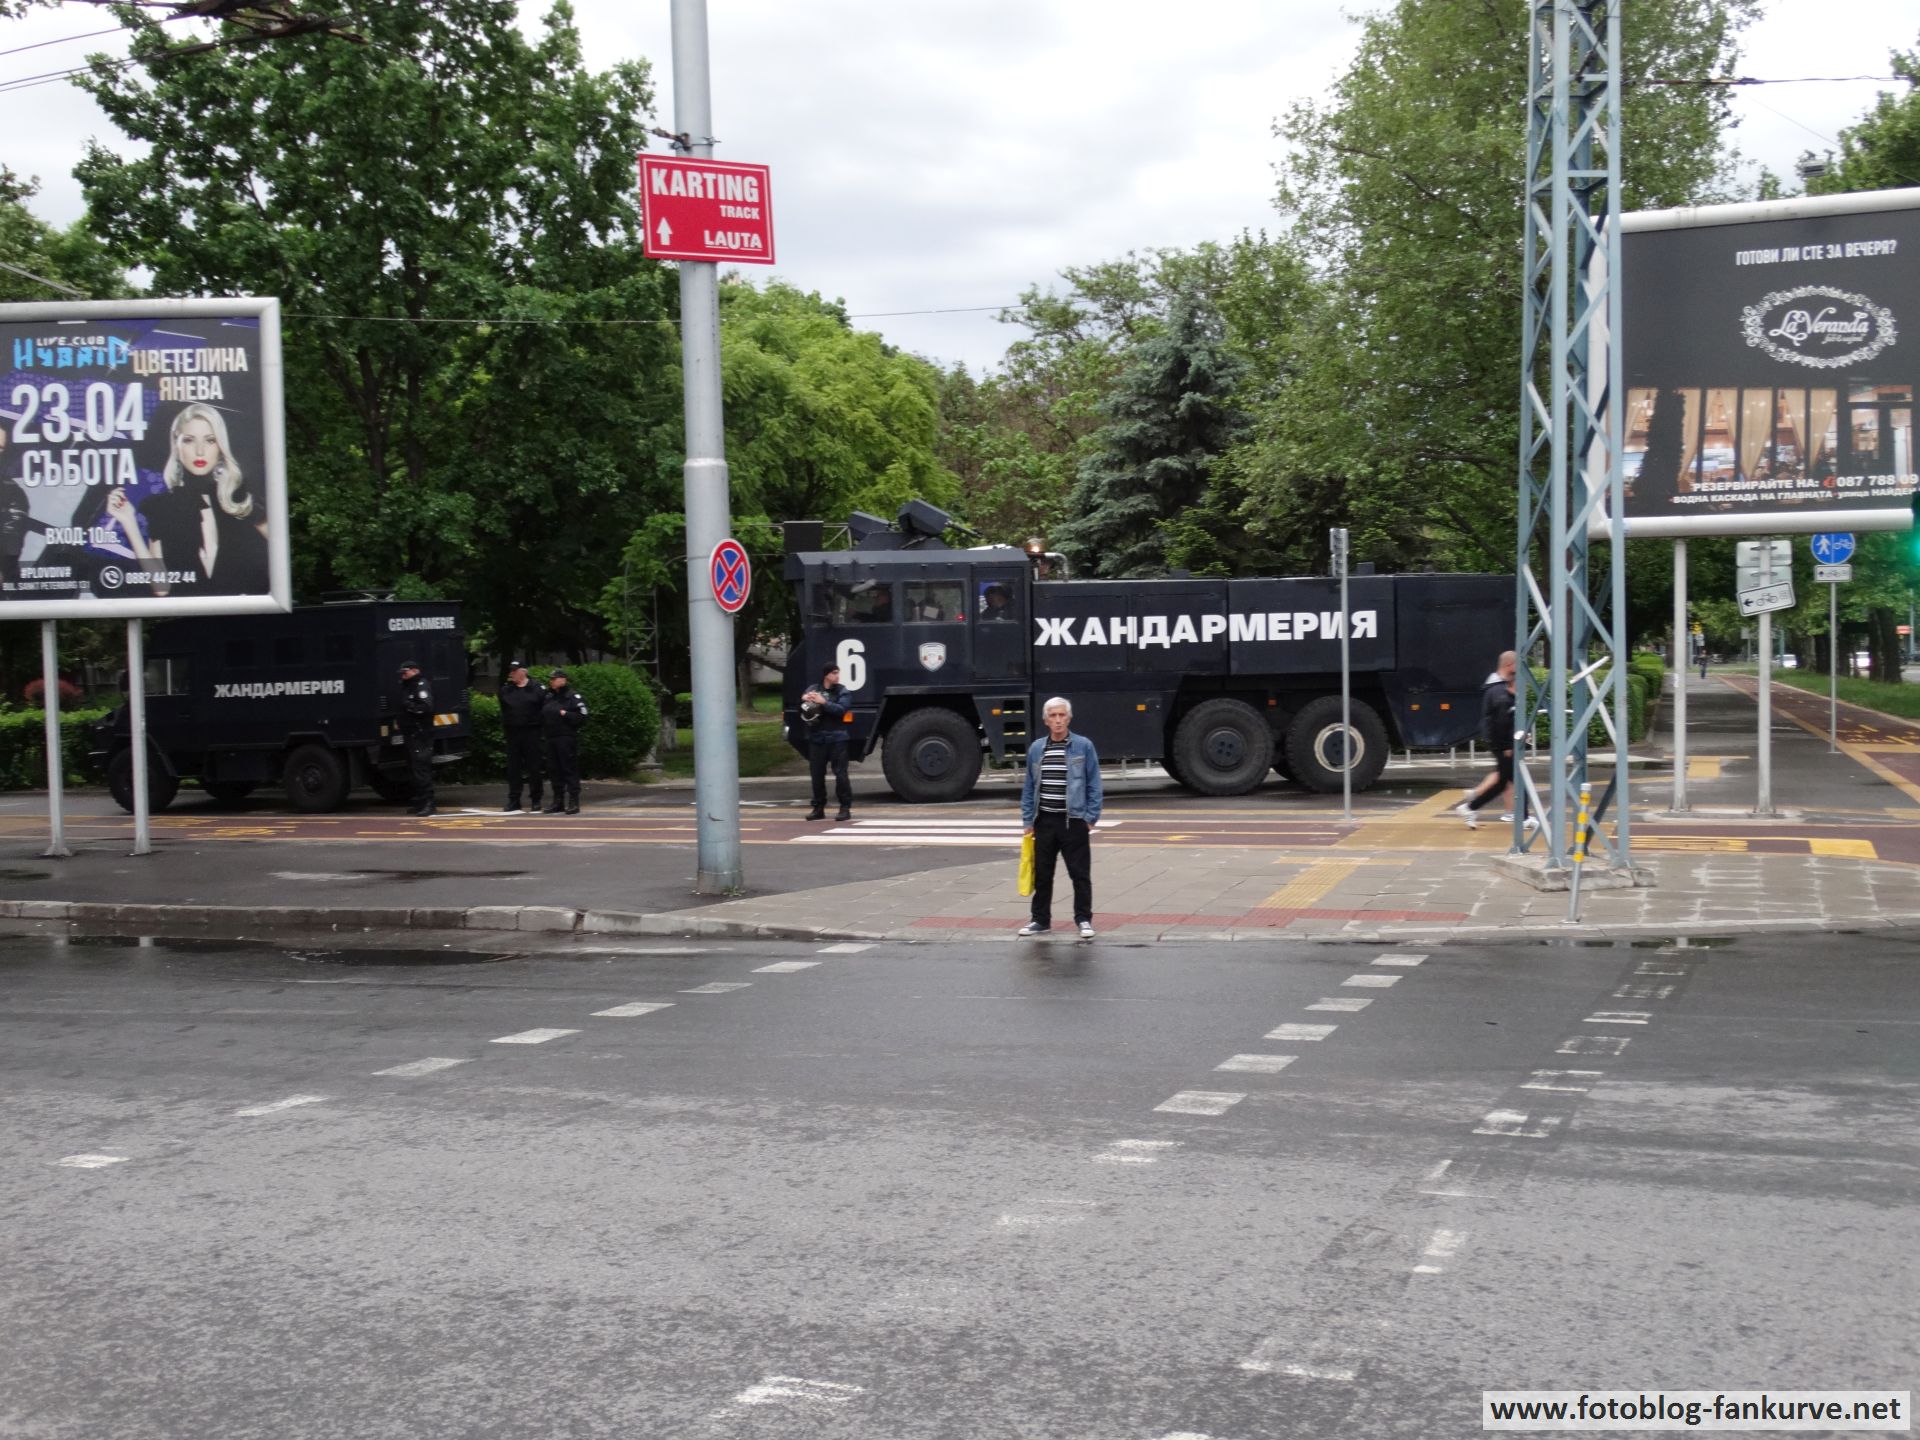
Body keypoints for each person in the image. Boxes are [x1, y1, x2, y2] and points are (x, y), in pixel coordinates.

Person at [105, 404, 267, 596]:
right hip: (189, 612)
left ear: (220, 446)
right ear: (177, 444)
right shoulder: (161, 507)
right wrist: (129, 522)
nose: (200, 451)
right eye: (189, 440)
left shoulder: (241, 501)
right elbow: (161, 587)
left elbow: (280, 554)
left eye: (210, 440)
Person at [1018, 697, 1102, 939]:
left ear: (1069, 718)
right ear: (1046, 720)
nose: (1058, 720)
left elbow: (1094, 783)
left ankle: (1083, 919)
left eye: (1062, 715)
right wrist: (1028, 821)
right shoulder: (1037, 748)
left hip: (1073, 821)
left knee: (1080, 874)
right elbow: (1029, 786)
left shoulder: (1083, 746)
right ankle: (1040, 920)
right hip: (1044, 821)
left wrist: (1090, 818)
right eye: (1053, 716)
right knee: (1043, 874)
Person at [1456, 655, 1538, 832]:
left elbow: (1506, 720)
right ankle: (1522, 818)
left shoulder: (1498, 688)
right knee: (1517, 780)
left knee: (1504, 782)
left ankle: (1470, 808)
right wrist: (1506, 745)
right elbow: (1501, 721)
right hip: (1503, 745)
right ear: (1509, 665)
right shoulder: (1500, 692)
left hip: (1500, 743)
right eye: (1517, 664)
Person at [801, 663, 852, 822]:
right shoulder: (814, 689)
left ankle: (844, 808)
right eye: (834, 673)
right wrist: (805, 699)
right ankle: (818, 808)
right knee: (816, 775)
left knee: (841, 774)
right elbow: (803, 706)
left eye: (838, 673)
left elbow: (841, 710)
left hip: (837, 738)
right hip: (817, 738)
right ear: (826, 675)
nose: (837, 676)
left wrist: (824, 702)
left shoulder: (842, 691)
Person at [498, 660, 545, 814]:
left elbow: (543, 709)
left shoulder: (537, 689)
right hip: (513, 733)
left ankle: (536, 799)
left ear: (523, 672)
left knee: (534, 767)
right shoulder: (506, 690)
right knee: (513, 768)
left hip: (531, 732)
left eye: (515, 670)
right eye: (511, 670)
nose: (511, 673)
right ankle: (514, 800)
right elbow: (504, 709)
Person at [541, 668, 589, 814]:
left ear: (563, 680)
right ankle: (558, 801)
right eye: (551, 679)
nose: (551, 681)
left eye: (554, 679)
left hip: (566, 737)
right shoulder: (549, 697)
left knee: (568, 768)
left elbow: (582, 716)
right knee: (554, 770)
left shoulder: (572, 696)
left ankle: (574, 800)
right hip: (551, 737)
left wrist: (566, 714)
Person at [396, 661, 436, 817]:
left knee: (421, 769)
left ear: (415, 671)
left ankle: (429, 803)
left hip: (421, 734)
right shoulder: (408, 686)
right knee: (414, 769)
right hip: (411, 734)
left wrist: (409, 706)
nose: (403, 675)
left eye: (405, 672)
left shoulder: (421, 685)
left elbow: (426, 707)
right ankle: (420, 801)